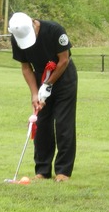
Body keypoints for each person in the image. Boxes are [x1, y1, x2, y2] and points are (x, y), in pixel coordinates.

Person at [8, 12, 78, 182]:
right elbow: (26, 68)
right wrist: (35, 93)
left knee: (63, 123)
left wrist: (48, 84)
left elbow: (64, 60)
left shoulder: (54, 30)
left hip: (64, 78)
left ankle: (63, 171)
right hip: (40, 79)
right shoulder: (17, 37)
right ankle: (42, 170)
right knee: (41, 124)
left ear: (33, 24)